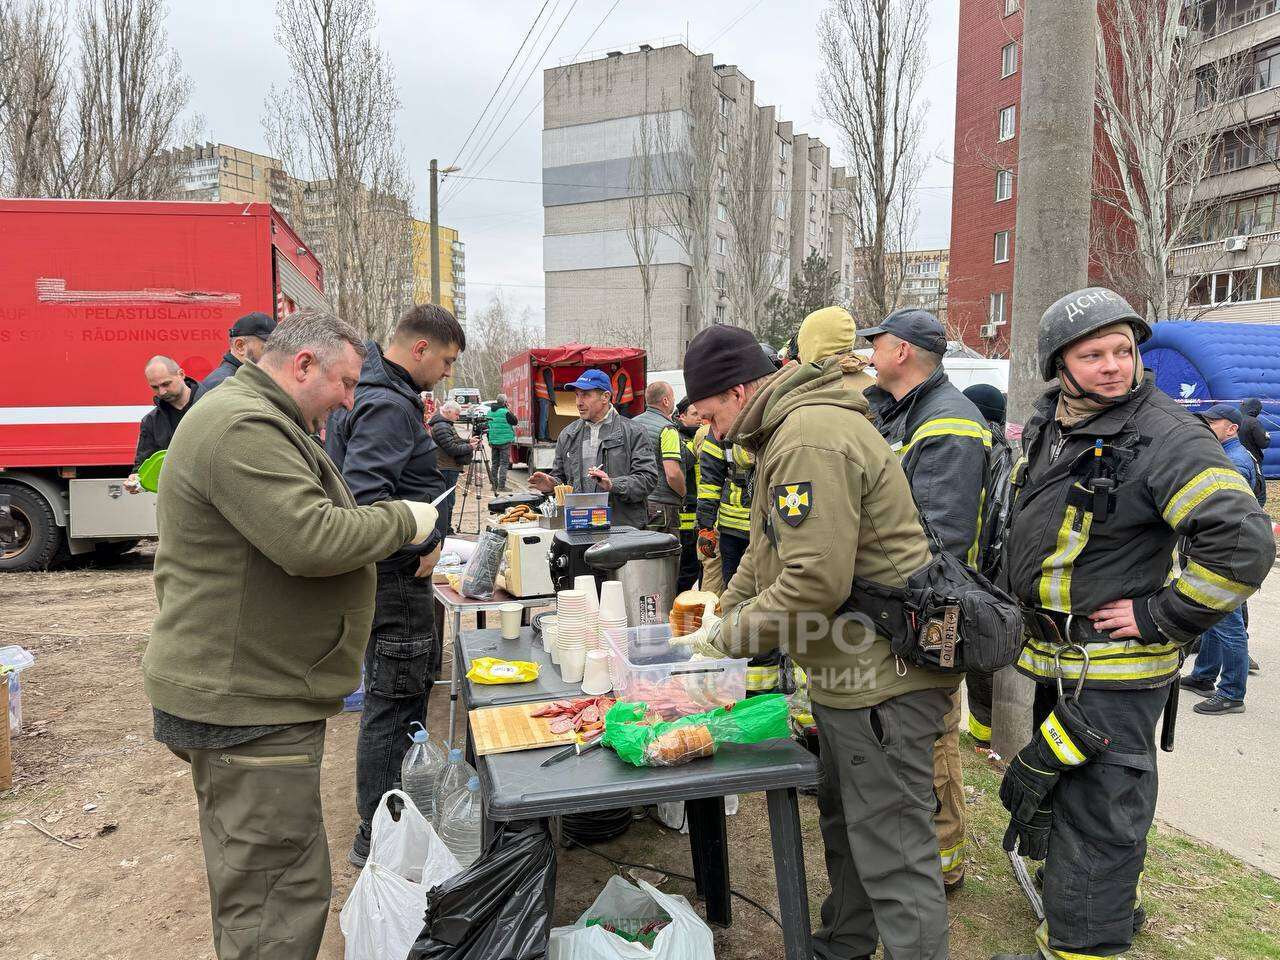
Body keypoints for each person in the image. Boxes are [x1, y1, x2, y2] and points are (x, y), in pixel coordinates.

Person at [142, 310, 438, 960]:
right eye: (346, 382)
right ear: (302, 366)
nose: (350, 400)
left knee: (266, 882)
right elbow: (311, 539)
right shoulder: (242, 423)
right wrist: (402, 519)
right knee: (277, 898)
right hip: (248, 701)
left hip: (252, 690)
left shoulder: (258, 416)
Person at [993, 288, 1274, 960]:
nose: (1115, 365)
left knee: (1102, 811)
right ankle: (1087, 904)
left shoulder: (1165, 435)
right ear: (1057, 363)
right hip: (1060, 666)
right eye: (1094, 353)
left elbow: (1243, 544)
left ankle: (1085, 946)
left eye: (1124, 351)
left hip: (1114, 674)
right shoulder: (1056, 425)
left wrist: (1161, 612)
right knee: (1073, 799)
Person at [682, 324, 957, 960]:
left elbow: (814, 580)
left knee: (892, 848)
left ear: (741, 389)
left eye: (711, 411)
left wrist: (729, 638)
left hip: (882, 679)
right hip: (850, 676)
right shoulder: (785, 432)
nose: (707, 428)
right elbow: (765, 550)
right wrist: (718, 614)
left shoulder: (807, 438)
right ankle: (843, 946)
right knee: (849, 827)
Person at [325, 303, 463, 867]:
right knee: (395, 700)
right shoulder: (386, 403)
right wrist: (419, 545)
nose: (448, 373)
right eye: (447, 360)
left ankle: (390, 819)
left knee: (401, 695)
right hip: (395, 580)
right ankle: (379, 831)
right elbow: (364, 502)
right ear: (420, 349)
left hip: (396, 576)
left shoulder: (385, 394)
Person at [864, 308, 989, 892]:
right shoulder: (905, 412)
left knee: (933, 734)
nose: (869, 351)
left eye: (877, 342)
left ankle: (943, 864)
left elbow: (937, 538)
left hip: (935, 608)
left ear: (903, 352)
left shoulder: (948, 422)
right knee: (907, 734)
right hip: (907, 603)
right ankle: (916, 846)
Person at [1178, 404, 1262, 716]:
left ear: (1232, 429)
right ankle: (1203, 676)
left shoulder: (1234, 461)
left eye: (1215, 422)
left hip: (1226, 556)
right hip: (1220, 552)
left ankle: (1232, 693)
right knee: (1211, 617)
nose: (1207, 426)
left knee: (1229, 625)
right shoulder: (1228, 455)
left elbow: (1225, 512)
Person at [528, 368, 657, 528]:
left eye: (586, 395)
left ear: (605, 397)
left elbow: (647, 479)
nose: (578, 402)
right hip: (579, 526)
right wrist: (551, 484)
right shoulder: (568, 435)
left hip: (622, 530)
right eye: (577, 395)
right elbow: (562, 478)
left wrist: (613, 484)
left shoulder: (634, 432)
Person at [960, 382, 1016, 749]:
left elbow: (991, 520)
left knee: (981, 661)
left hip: (985, 575)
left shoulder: (984, 453)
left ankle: (986, 739)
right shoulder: (1002, 452)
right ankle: (986, 736)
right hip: (992, 575)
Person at [127, 355, 205, 493]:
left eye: (166, 384)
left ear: (181, 374)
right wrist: (136, 482)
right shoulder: (151, 421)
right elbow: (142, 468)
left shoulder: (212, 403)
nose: (161, 392)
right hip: (177, 498)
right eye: (155, 387)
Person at [633, 381, 685, 535]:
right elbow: (673, 473)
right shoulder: (668, 429)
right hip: (662, 508)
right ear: (665, 401)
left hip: (635, 506)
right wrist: (682, 494)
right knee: (666, 556)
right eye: (673, 398)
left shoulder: (631, 425)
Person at [430, 400, 480, 533]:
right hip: (445, 467)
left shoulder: (444, 424)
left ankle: (445, 527)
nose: (458, 417)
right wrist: (470, 447)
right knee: (447, 500)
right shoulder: (442, 426)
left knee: (447, 499)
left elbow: (452, 441)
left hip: (447, 466)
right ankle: (445, 528)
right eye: (457, 414)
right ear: (448, 411)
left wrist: (468, 441)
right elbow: (451, 448)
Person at [201, 311, 277, 391]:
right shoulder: (224, 384)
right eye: (268, 347)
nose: (275, 354)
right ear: (240, 346)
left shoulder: (239, 379)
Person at [673, 397, 702, 592]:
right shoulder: (678, 439)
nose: (700, 418)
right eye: (694, 414)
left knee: (698, 568)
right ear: (681, 416)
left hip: (701, 511)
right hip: (686, 514)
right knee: (687, 568)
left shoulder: (695, 437)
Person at [1238, 397, 1270, 505]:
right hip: (1252, 460)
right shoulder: (1253, 422)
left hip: (1235, 460)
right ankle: (1257, 515)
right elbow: (1263, 443)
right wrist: (1267, 437)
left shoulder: (1233, 419)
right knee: (1259, 493)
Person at [486, 394, 518, 492]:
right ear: (505, 402)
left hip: (493, 441)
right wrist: (508, 409)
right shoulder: (506, 412)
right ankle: (501, 486)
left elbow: (487, 427)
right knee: (504, 464)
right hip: (505, 441)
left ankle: (494, 486)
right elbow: (515, 421)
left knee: (495, 464)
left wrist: (489, 439)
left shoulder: (489, 412)